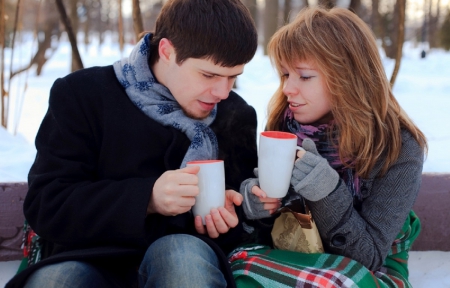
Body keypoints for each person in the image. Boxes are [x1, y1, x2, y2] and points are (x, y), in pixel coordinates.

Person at [6, 1, 262, 287]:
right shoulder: (83, 95)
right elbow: (47, 205)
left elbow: (241, 226)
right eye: (209, 75)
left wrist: (228, 218)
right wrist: (147, 199)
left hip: (185, 256)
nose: (223, 92)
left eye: (233, 77)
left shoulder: (235, 115)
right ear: (167, 51)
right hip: (84, 255)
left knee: (182, 260)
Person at [232, 6, 427, 288]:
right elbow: (274, 231)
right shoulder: (285, 126)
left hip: (370, 269)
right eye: (286, 75)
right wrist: (256, 209)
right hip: (293, 256)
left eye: (304, 76)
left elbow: (369, 257)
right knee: (237, 270)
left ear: (347, 78)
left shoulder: (399, 147)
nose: (288, 89)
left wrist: (325, 192)